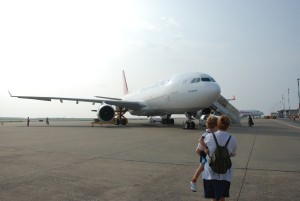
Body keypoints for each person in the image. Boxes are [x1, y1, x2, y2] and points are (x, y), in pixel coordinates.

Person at [202, 115, 237, 201]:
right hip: (225, 172)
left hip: (211, 170)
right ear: (228, 126)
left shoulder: (209, 136)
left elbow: (199, 149)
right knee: (222, 196)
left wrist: (206, 150)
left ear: (217, 124)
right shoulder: (232, 138)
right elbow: (233, 154)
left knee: (213, 196)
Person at [190, 115, 218, 192]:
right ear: (215, 125)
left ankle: (194, 180)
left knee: (203, 168)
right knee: (202, 168)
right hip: (205, 155)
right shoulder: (207, 133)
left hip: (206, 155)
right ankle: (193, 180)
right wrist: (205, 149)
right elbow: (200, 140)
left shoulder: (212, 133)